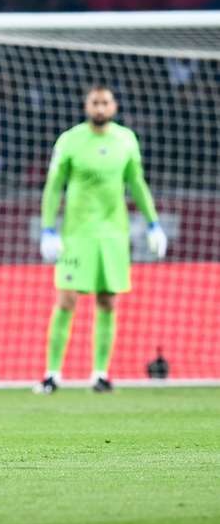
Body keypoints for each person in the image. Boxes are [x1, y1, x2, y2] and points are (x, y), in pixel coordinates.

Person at [36, 85, 167, 394]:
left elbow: (137, 183)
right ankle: (52, 374)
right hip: (77, 234)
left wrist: (153, 223)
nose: (100, 107)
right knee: (66, 299)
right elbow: (54, 186)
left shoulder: (126, 139)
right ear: (87, 105)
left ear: (114, 105)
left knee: (108, 300)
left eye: (105, 102)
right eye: (95, 102)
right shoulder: (70, 140)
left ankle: (100, 374)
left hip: (113, 234)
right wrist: (47, 228)